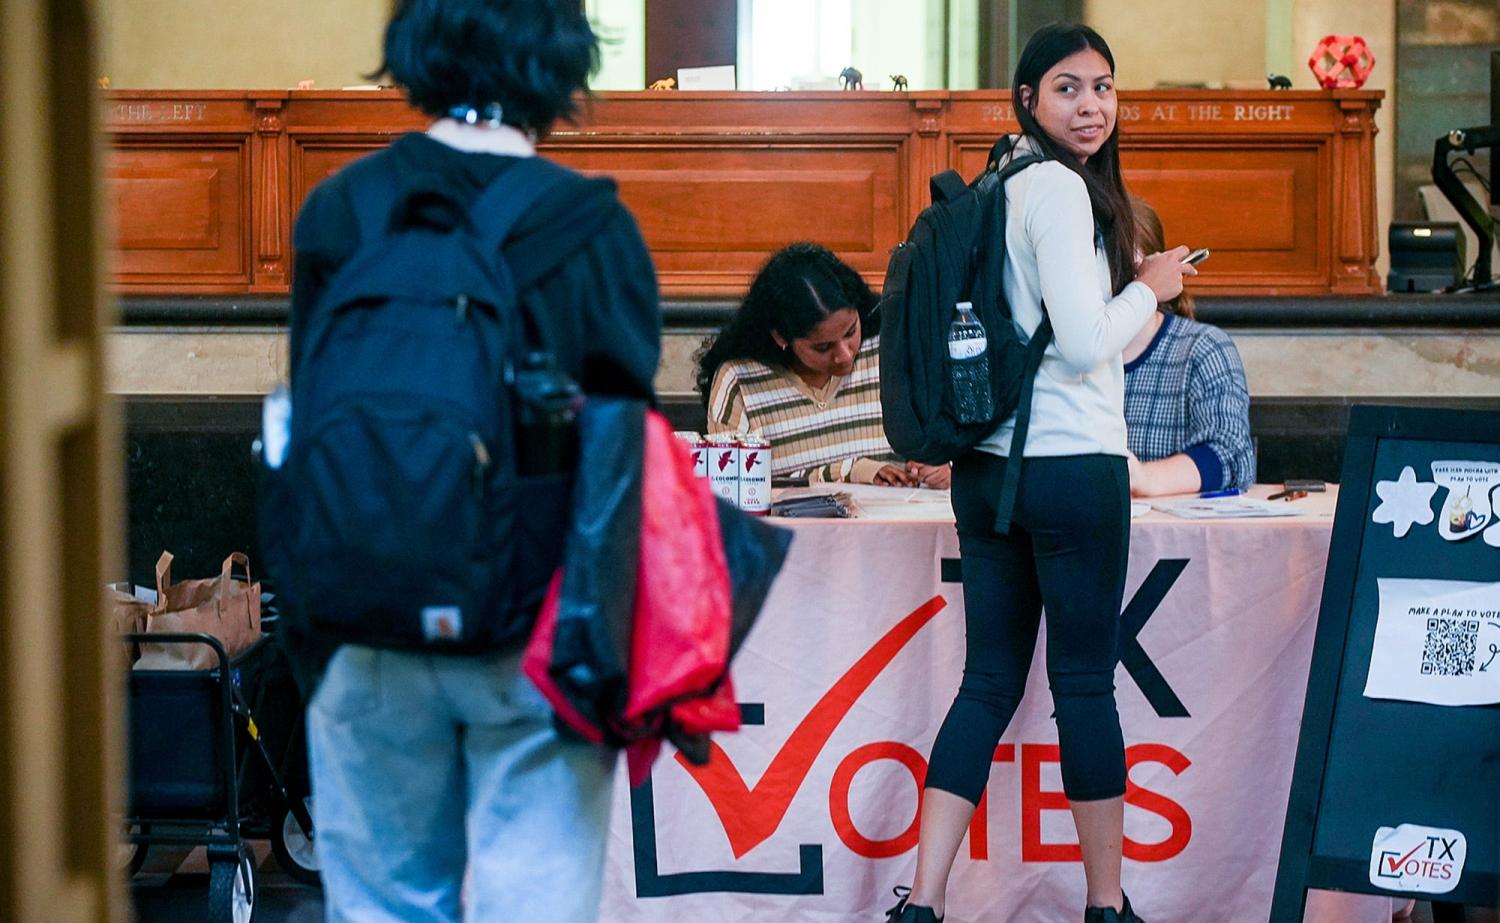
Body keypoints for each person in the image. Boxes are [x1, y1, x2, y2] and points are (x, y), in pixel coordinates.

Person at [286, 1, 660, 920]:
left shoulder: (341, 209)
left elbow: (308, 407)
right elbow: (621, 454)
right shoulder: (589, 225)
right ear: (564, 59)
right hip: (531, 631)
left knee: (378, 902)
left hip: (358, 613)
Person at [884, 24, 1194, 923]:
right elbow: (1088, 342)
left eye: (1103, 86)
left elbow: (1056, 336)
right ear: (1028, 98)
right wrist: (1156, 285)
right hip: (1070, 473)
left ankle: (925, 900)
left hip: (986, 472)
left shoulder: (998, 182)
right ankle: (1106, 905)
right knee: (1086, 686)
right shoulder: (1058, 189)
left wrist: (1125, 291)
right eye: (1067, 88)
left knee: (987, 683)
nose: (1091, 105)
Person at [698, 242, 950, 488]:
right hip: (796, 530)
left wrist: (948, 467)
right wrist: (849, 470)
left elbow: (953, 437)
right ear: (781, 337)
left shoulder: (892, 349)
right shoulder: (741, 380)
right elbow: (731, 486)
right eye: (823, 347)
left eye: (851, 332)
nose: (844, 355)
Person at [1122, 198, 1255, 496]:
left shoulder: (1203, 349)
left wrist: (1143, 478)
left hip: (1172, 537)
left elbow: (1230, 453)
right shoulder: (1067, 351)